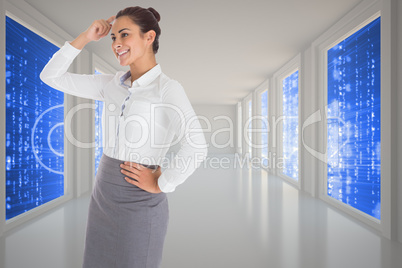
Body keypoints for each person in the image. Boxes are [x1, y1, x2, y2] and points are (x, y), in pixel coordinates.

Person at [40, 6, 208, 268]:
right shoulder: (111, 84)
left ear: (149, 37)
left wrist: (162, 184)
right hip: (103, 192)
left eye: (125, 35)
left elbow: (196, 145)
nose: (116, 44)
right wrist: (86, 36)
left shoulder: (168, 89)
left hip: (139, 199)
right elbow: (50, 76)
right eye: (113, 37)